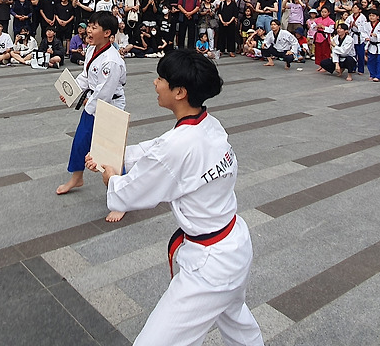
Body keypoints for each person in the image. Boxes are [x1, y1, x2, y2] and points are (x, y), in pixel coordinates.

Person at [85, 49, 263, 346]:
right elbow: (156, 150)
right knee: (237, 323)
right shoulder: (208, 124)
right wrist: (115, 156)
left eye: (161, 79)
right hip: (234, 244)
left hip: (211, 266)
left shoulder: (178, 147)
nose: (155, 83)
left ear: (180, 92)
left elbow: (128, 193)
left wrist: (111, 176)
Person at [56, 12, 128, 223]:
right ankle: (77, 178)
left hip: (111, 107)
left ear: (107, 33)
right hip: (93, 104)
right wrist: (72, 91)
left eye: (94, 27)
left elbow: (104, 93)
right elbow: (86, 77)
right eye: (89, 26)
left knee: (111, 154)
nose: (89, 30)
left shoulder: (112, 61)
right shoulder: (91, 49)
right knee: (80, 142)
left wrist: (86, 102)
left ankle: (122, 200)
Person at [364, 11, 380, 81]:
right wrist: (366, 37)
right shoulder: (366, 25)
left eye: (373, 16)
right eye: (370, 15)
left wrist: (377, 35)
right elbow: (363, 33)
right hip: (371, 44)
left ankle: (379, 76)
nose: (371, 17)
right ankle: (372, 74)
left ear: (377, 17)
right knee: (371, 61)